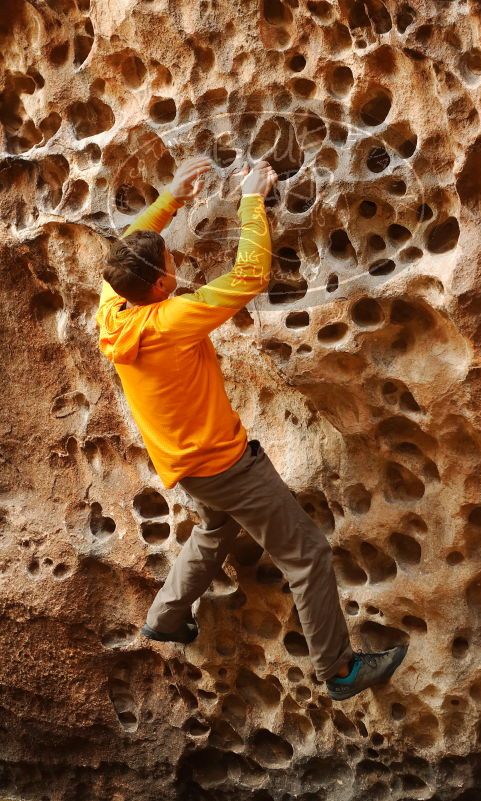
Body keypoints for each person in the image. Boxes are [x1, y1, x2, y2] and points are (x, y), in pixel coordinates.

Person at [95, 156, 407, 700]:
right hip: (226, 465)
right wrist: (251, 199)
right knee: (307, 554)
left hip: (186, 466)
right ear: (165, 280)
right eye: (171, 260)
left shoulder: (113, 304)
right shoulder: (171, 319)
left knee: (217, 528)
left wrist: (171, 195)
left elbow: (131, 243)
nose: (174, 259)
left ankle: (166, 617)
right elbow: (249, 278)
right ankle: (339, 671)